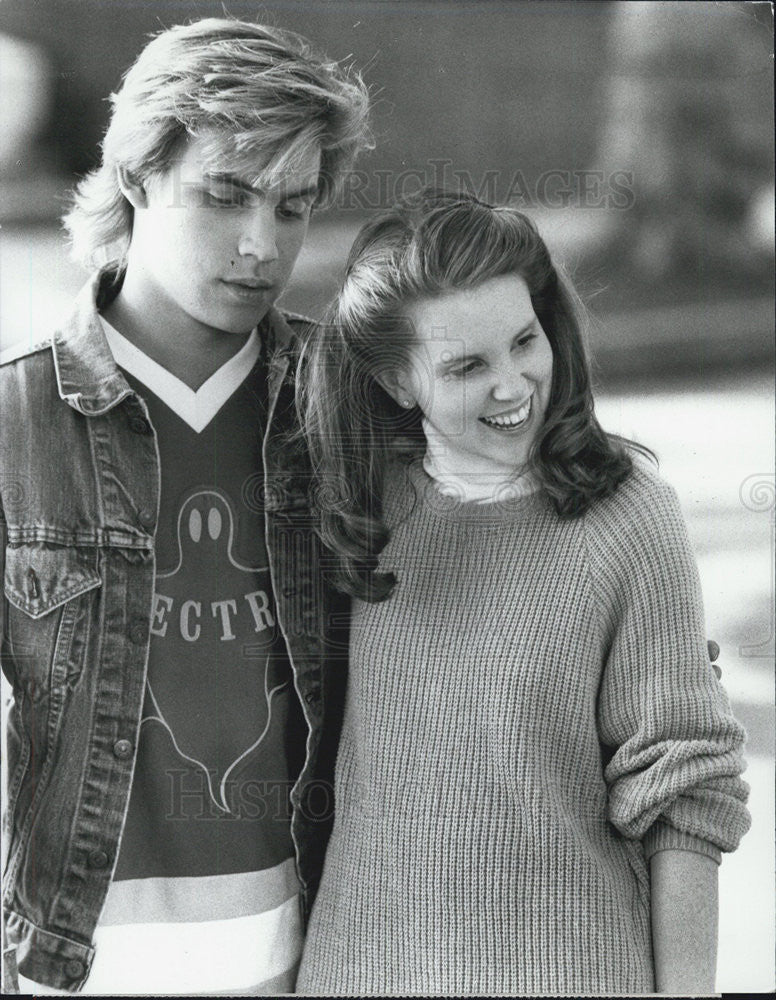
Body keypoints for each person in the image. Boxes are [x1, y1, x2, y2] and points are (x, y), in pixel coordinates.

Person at [295, 190, 751, 996]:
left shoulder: (629, 517)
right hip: (358, 971)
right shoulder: (358, 509)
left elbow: (687, 792)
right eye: (467, 366)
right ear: (398, 383)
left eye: (523, 341)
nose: (514, 387)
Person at [0, 17, 369, 995]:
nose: (262, 246)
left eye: (291, 207)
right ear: (137, 176)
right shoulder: (15, 418)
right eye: (225, 194)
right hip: (71, 960)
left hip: (305, 945)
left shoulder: (343, 405)